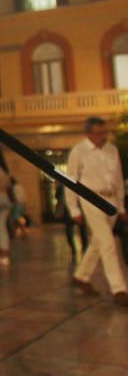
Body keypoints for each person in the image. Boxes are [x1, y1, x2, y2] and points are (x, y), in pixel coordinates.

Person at [68, 117, 127, 306]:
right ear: (89, 134)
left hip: (110, 201)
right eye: (99, 133)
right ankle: (119, 289)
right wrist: (73, 208)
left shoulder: (112, 150)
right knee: (108, 243)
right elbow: (70, 181)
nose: (103, 136)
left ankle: (81, 276)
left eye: (105, 132)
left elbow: (118, 178)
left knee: (98, 243)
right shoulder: (79, 151)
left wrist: (121, 205)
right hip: (91, 199)